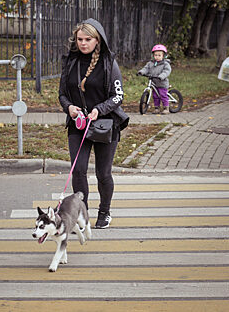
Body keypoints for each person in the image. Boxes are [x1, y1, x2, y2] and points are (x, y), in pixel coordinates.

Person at [58, 18, 129, 229]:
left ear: (97, 40)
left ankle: (105, 212)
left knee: (103, 173)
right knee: (78, 170)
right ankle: (82, 213)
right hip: (78, 125)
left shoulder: (109, 63)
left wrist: (99, 110)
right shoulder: (70, 62)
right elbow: (62, 94)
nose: (83, 43)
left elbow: (118, 96)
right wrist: (69, 107)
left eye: (88, 39)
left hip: (105, 126)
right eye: (80, 39)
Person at [137, 44, 172, 114]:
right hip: (154, 83)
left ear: (163, 56)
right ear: (153, 55)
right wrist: (141, 72)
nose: (157, 57)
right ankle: (157, 108)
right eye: (155, 55)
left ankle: (166, 108)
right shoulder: (150, 63)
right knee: (155, 96)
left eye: (159, 55)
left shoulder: (165, 64)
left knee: (163, 95)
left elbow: (167, 71)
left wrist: (162, 76)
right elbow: (146, 68)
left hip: (162, 83)